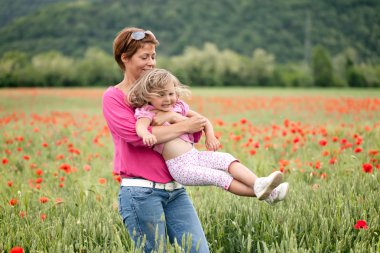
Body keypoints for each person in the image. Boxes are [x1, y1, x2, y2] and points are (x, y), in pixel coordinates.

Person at [102, 27, 210, 252]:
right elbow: (136, 136)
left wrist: (187, 126)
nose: (151, 62)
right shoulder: (114, 97)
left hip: (175, 190)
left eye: (153, 56)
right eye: (144, 57)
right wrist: (185, 125)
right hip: (141, 193)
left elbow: (193, 134)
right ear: (125, 58)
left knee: (199, 250)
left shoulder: (161, 92)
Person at [128, 68, 289, 203]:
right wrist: (145, 135)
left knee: (225, 158)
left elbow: (203, 121)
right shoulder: (147, 112)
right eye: (161, 95)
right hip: (181, 167)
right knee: (219, 176)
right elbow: (140, 126)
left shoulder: (178, 107)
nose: (168, 99)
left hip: (195, 156)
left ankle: (258, 183)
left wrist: (210, 136)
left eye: (171, 93)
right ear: (148, 95)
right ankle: (270, 194)